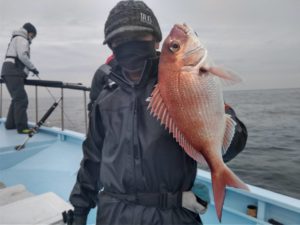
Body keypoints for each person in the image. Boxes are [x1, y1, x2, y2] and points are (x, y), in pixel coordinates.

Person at [69, 1, 248, 225]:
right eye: (120, 40)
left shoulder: (174, 82)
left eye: (139, 36)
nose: (129, 44)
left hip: (173, 214)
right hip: (113, 214)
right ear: (111, 46)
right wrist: (79, 209)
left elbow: (232, 143)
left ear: (155, 40)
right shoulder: (105, 93)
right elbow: (93, 156)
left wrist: (221, 120)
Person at [1, 22, 39, 134]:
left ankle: (10, 124)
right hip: (13, 71)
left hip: (8, 70)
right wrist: (33, 68)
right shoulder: (22, 39)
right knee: (22, 99)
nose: (32, 38)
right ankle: (22, 128)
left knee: (17, 99)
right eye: (32, 35)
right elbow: (22, 55)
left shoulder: (16, 38)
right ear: (29, 32)